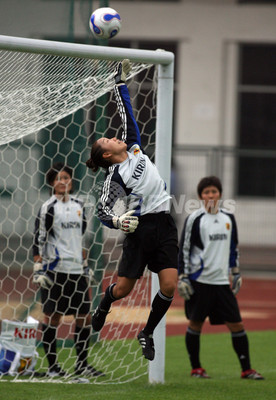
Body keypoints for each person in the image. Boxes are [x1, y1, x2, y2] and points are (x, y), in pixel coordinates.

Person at [86, 59, 178, 361]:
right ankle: (104, 304)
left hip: (165, 224)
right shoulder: (115, 177)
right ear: (108, 154)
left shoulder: (134, 146)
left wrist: (120, 82)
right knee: (123, 289)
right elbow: (102, 211)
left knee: (169, 285)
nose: (113, 136)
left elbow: (128, 112)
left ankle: (147, 332)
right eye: (107, 140)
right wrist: (118, 220)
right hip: (140, 231)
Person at [178, 176, 264, 380]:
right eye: (206, 192)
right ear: (200, 196)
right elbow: (184, 248)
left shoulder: (228, 218)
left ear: (220, 194)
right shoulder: (194, 219)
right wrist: (183, 277)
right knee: (195, 324)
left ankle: (247, 370)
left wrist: (235, 272)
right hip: (199, 282)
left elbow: (233, 247)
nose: (210, 195)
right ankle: (196, 369)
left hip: (221, 282)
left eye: (214, 192)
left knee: (237, 325)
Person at [32, 162, 104, 377]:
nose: (63, 181)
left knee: (84, 318)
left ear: (71, 181)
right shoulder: (48, 207)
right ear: (52, 184)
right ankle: (53, 367)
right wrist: (38, 268)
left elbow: (79, 239)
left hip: (76, 271)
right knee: (52, 318)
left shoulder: (79, 205)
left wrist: (85, 266)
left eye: (66, 177)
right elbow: (39, 239)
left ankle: (82, 365)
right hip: (56, 271)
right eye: (58, 178)